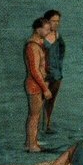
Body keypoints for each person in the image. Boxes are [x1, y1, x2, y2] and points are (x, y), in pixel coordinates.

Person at [24, 17, 52, 152]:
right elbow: (34, 70)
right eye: (46, 29)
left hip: (38, 83)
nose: (48, 31)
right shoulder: (32, 46)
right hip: (35, 84)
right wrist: (45, 88)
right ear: (38, 29)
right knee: (34, 115)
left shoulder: (38, 43)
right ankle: (31, 145)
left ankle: (31, 140)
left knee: (35, 115)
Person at [42, 10, 64, 134]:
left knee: (51, 101)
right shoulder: (41, 37)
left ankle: (47, 125)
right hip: (44, 74)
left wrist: (59, 69)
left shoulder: (57, 35)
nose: (56, 24)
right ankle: (40, 127)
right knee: (40, 102)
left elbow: (61, 52)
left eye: (58, 21)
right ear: (46, 21)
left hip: (56, 74)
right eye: (53, 21)